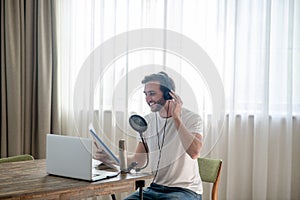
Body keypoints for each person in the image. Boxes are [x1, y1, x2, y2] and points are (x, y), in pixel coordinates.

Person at [95, 72, 203, 200]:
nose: (148, 99)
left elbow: (194, 152)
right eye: (146, 94)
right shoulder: (147, 122)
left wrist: (176, 118)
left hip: (185, 191)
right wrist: (111, 158)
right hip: (154, 188)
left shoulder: (192, 119)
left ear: (169, 94)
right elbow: (139, 160)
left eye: (152, 93)